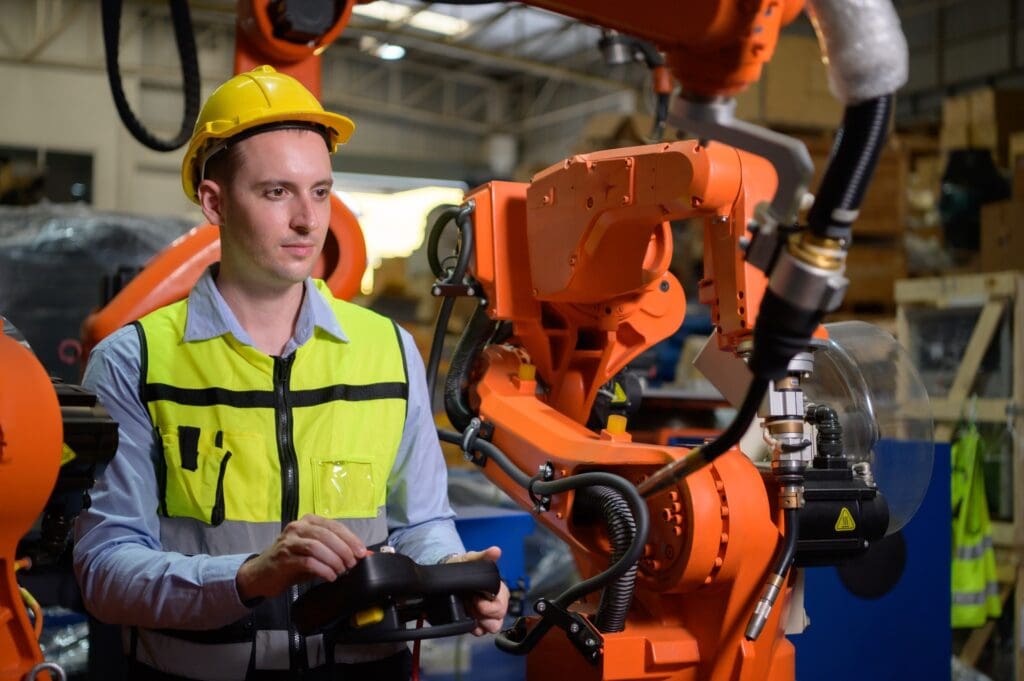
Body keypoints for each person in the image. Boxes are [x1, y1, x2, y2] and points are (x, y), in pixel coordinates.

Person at [74, 65, 509, 681]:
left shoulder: (388, 349)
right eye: (277, 192)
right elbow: (106, 570)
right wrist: (250, 576)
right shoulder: (133, 361)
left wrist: (454, 572)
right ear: (214, 202)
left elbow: (422, 523)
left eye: (321, 191)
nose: (308, 220)